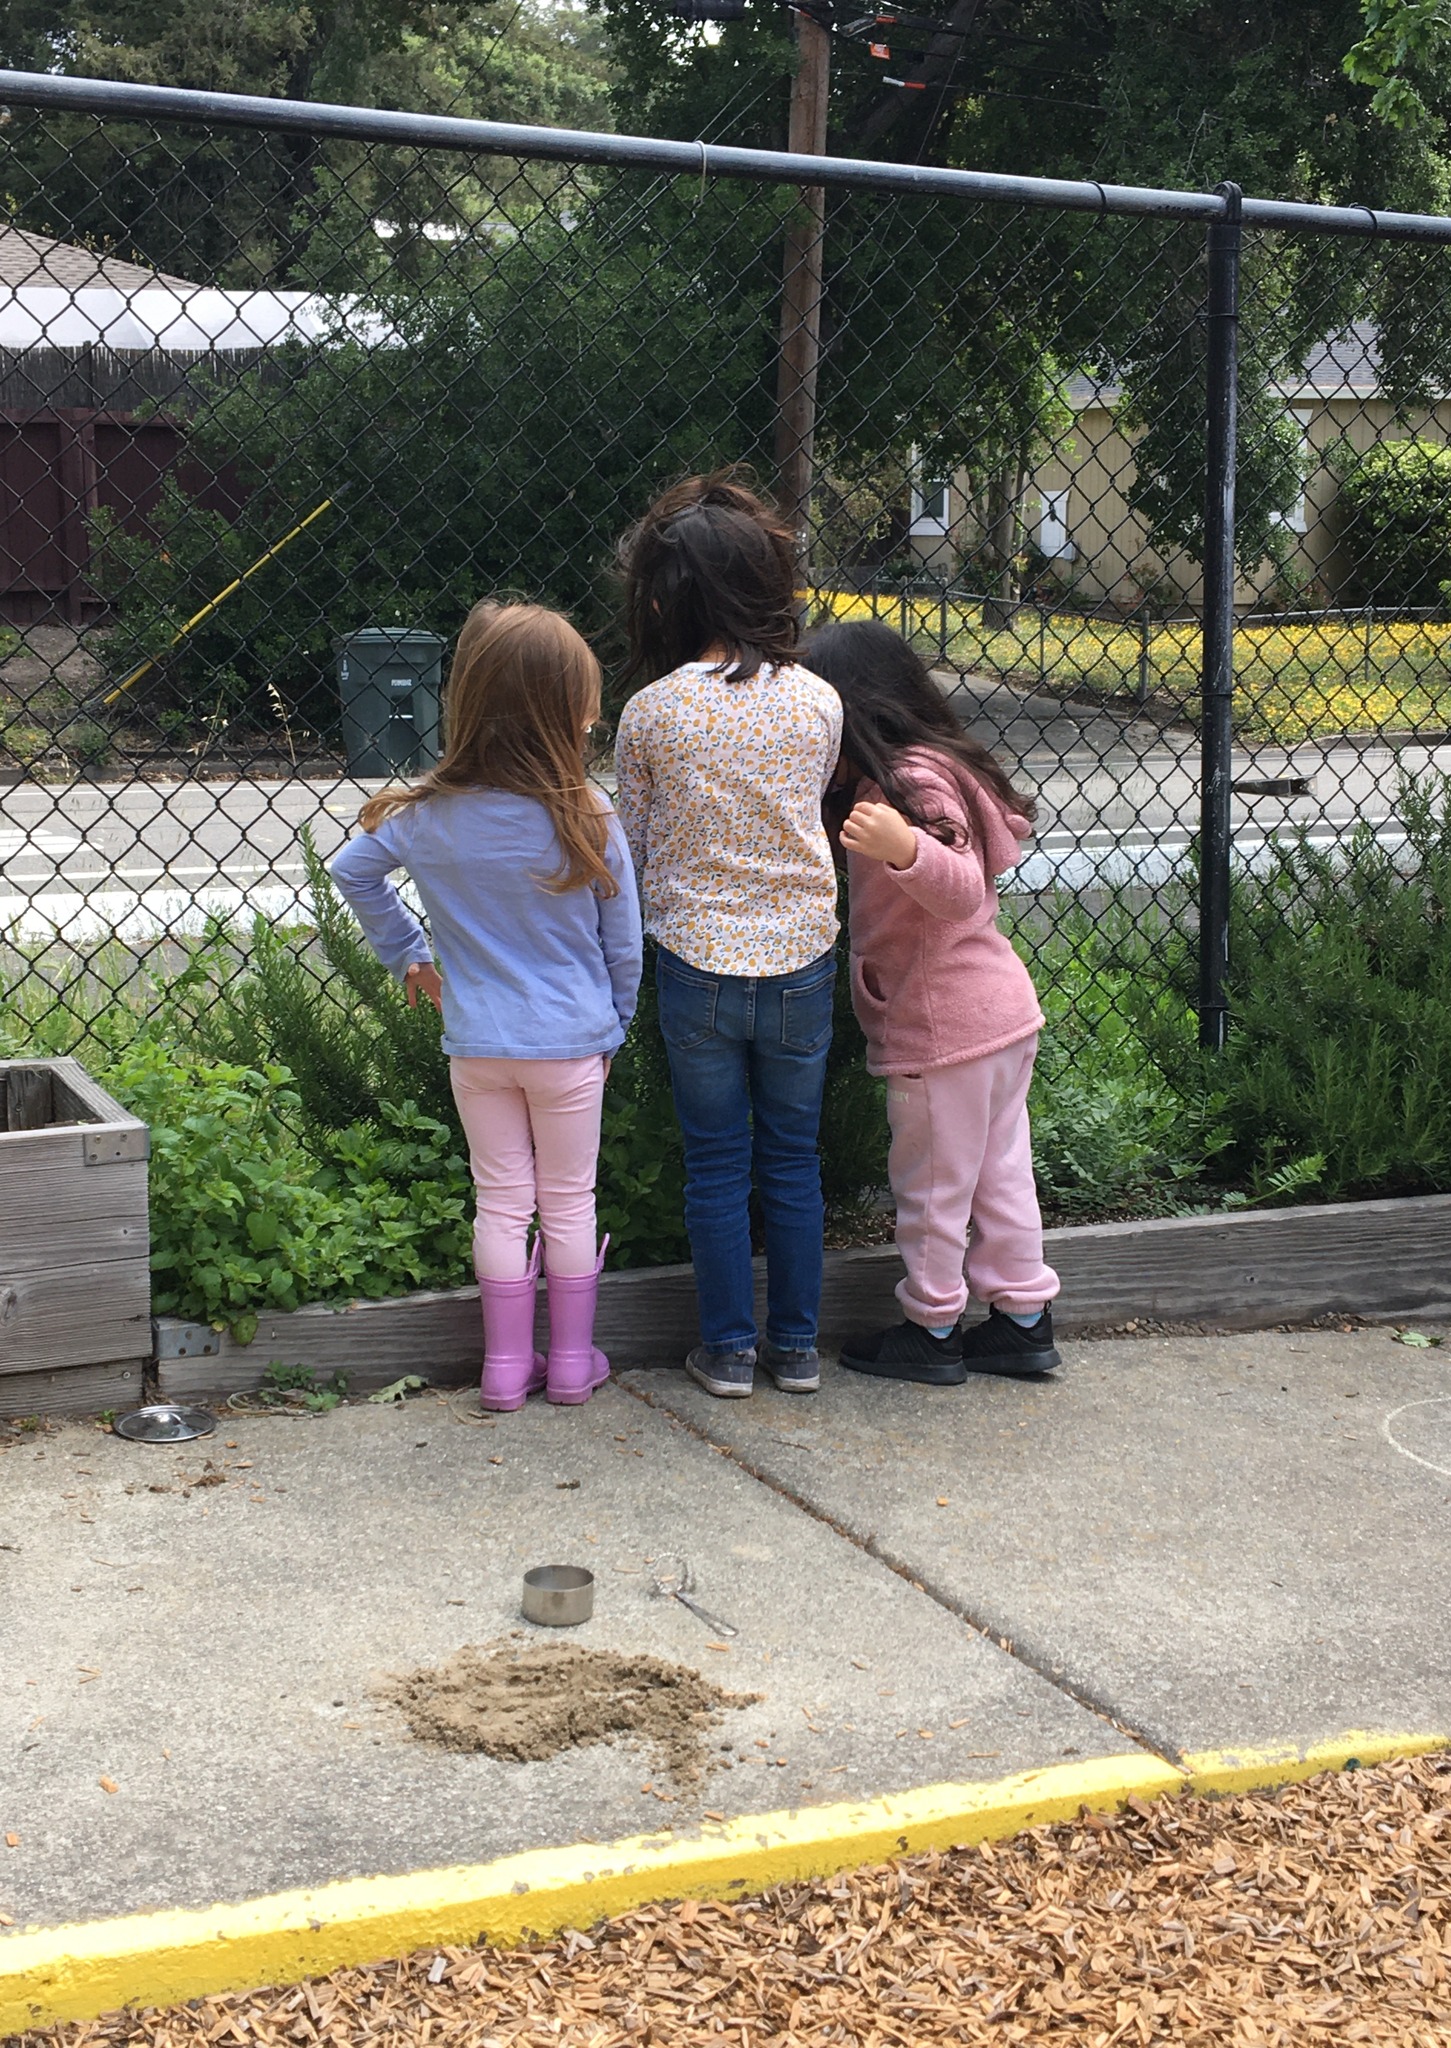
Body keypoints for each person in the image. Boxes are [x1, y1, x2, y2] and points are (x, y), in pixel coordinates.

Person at [330, 600, 642, 1412]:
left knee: (501, 1200)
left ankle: (504, 1370)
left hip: (477, 1043)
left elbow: (350, 872)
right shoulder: (588, 815)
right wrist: (616, 1023)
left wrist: (409, 955)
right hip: (573, 1044)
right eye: (587, 701)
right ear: (563, 712)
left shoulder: (428, 815)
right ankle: (571, 1364)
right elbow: (625, 945)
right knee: (571, 1200)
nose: (596, 714)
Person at [615, 473, 842, 1399]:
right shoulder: (818, 700)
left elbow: (628, 843)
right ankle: (797, 1349)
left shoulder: (653, 712)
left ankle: (728, 1351)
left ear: (668, 598)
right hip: (802, 961)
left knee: (716, 1162)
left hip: (695, 962)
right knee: (793, 1157)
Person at [804, 616, 1060, 1386]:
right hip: (996, 1016)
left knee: (933, 1190)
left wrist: (905, 848)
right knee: (999, 1176)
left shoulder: (908, 782)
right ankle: (1021, 1319)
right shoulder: (938, 762)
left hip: (943, 1029)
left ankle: (934, 1323)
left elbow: (962, 887)